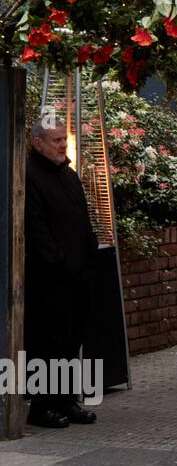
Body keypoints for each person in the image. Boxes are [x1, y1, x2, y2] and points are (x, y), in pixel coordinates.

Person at [25, 119, 100, 428]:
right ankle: (42, 407)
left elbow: (81, 221)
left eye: (63, 139)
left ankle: (67, 401)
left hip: (78, 276)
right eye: (55, 140)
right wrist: (57, 261)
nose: (62, 145)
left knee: (72, 341)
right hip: (50, 278)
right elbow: (36, 227)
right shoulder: (29, 177)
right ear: (38, 143)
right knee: (48, 343)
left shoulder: (68, 175)